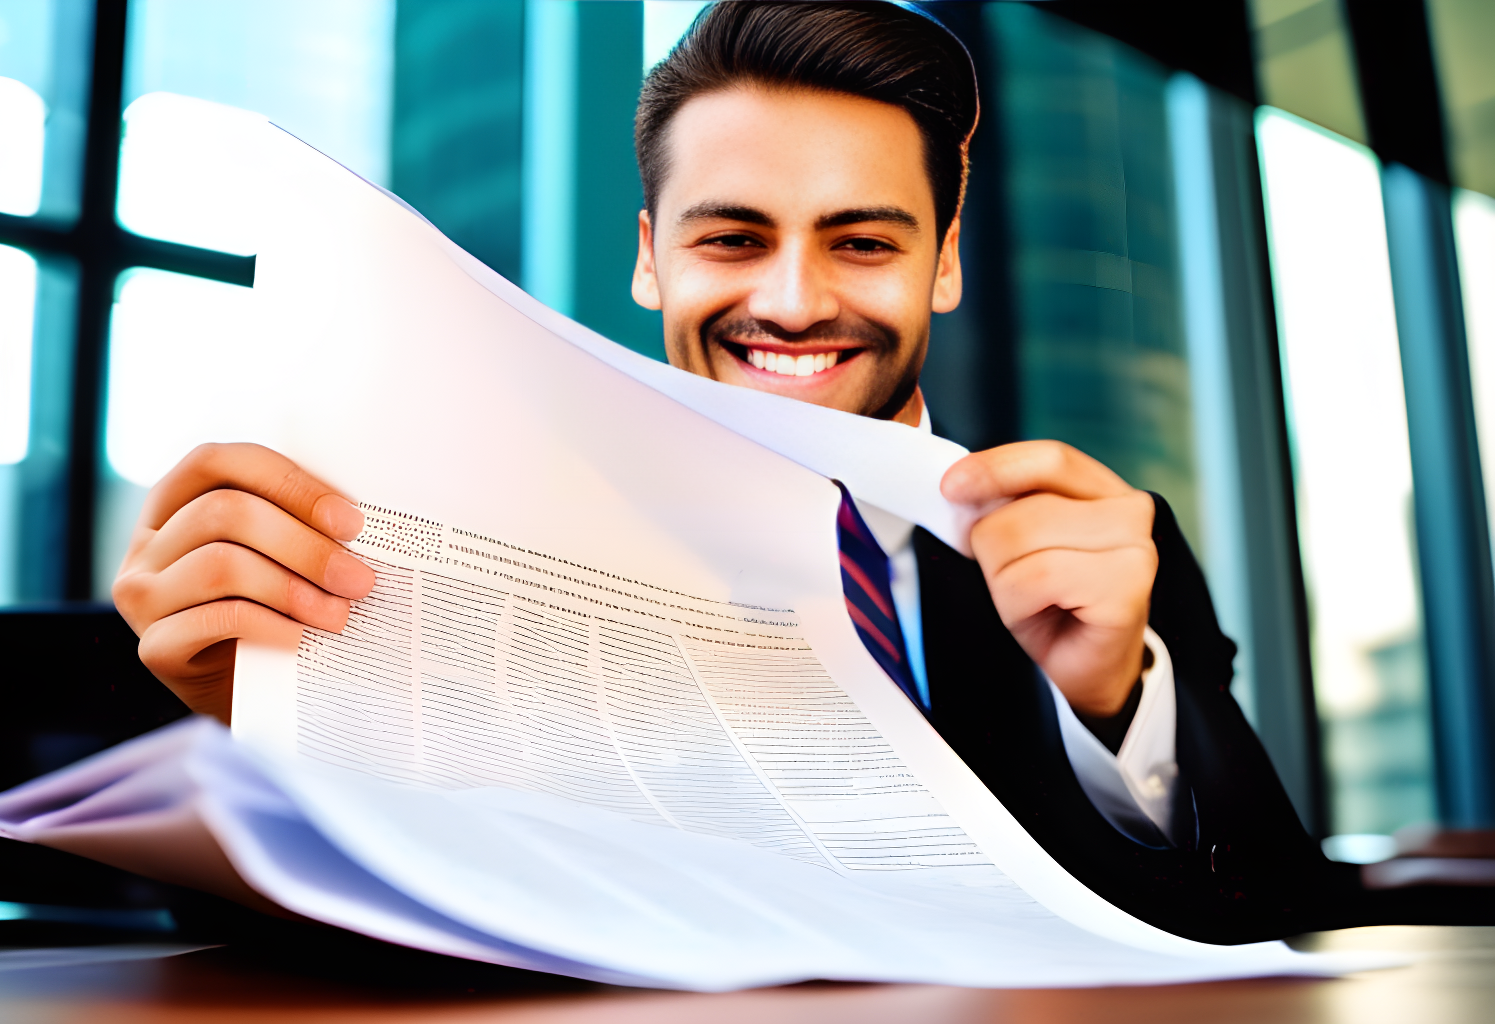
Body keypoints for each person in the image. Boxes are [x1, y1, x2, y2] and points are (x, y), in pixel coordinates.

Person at [111, 1, 1362, 941]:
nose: (792, 301)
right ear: (653, 258)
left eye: (862, 241)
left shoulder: (1101, 545)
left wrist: (1114, 712)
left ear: (943, 264)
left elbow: (1285, 907)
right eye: (734, 237)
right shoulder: (460, 536)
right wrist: (265, 725)